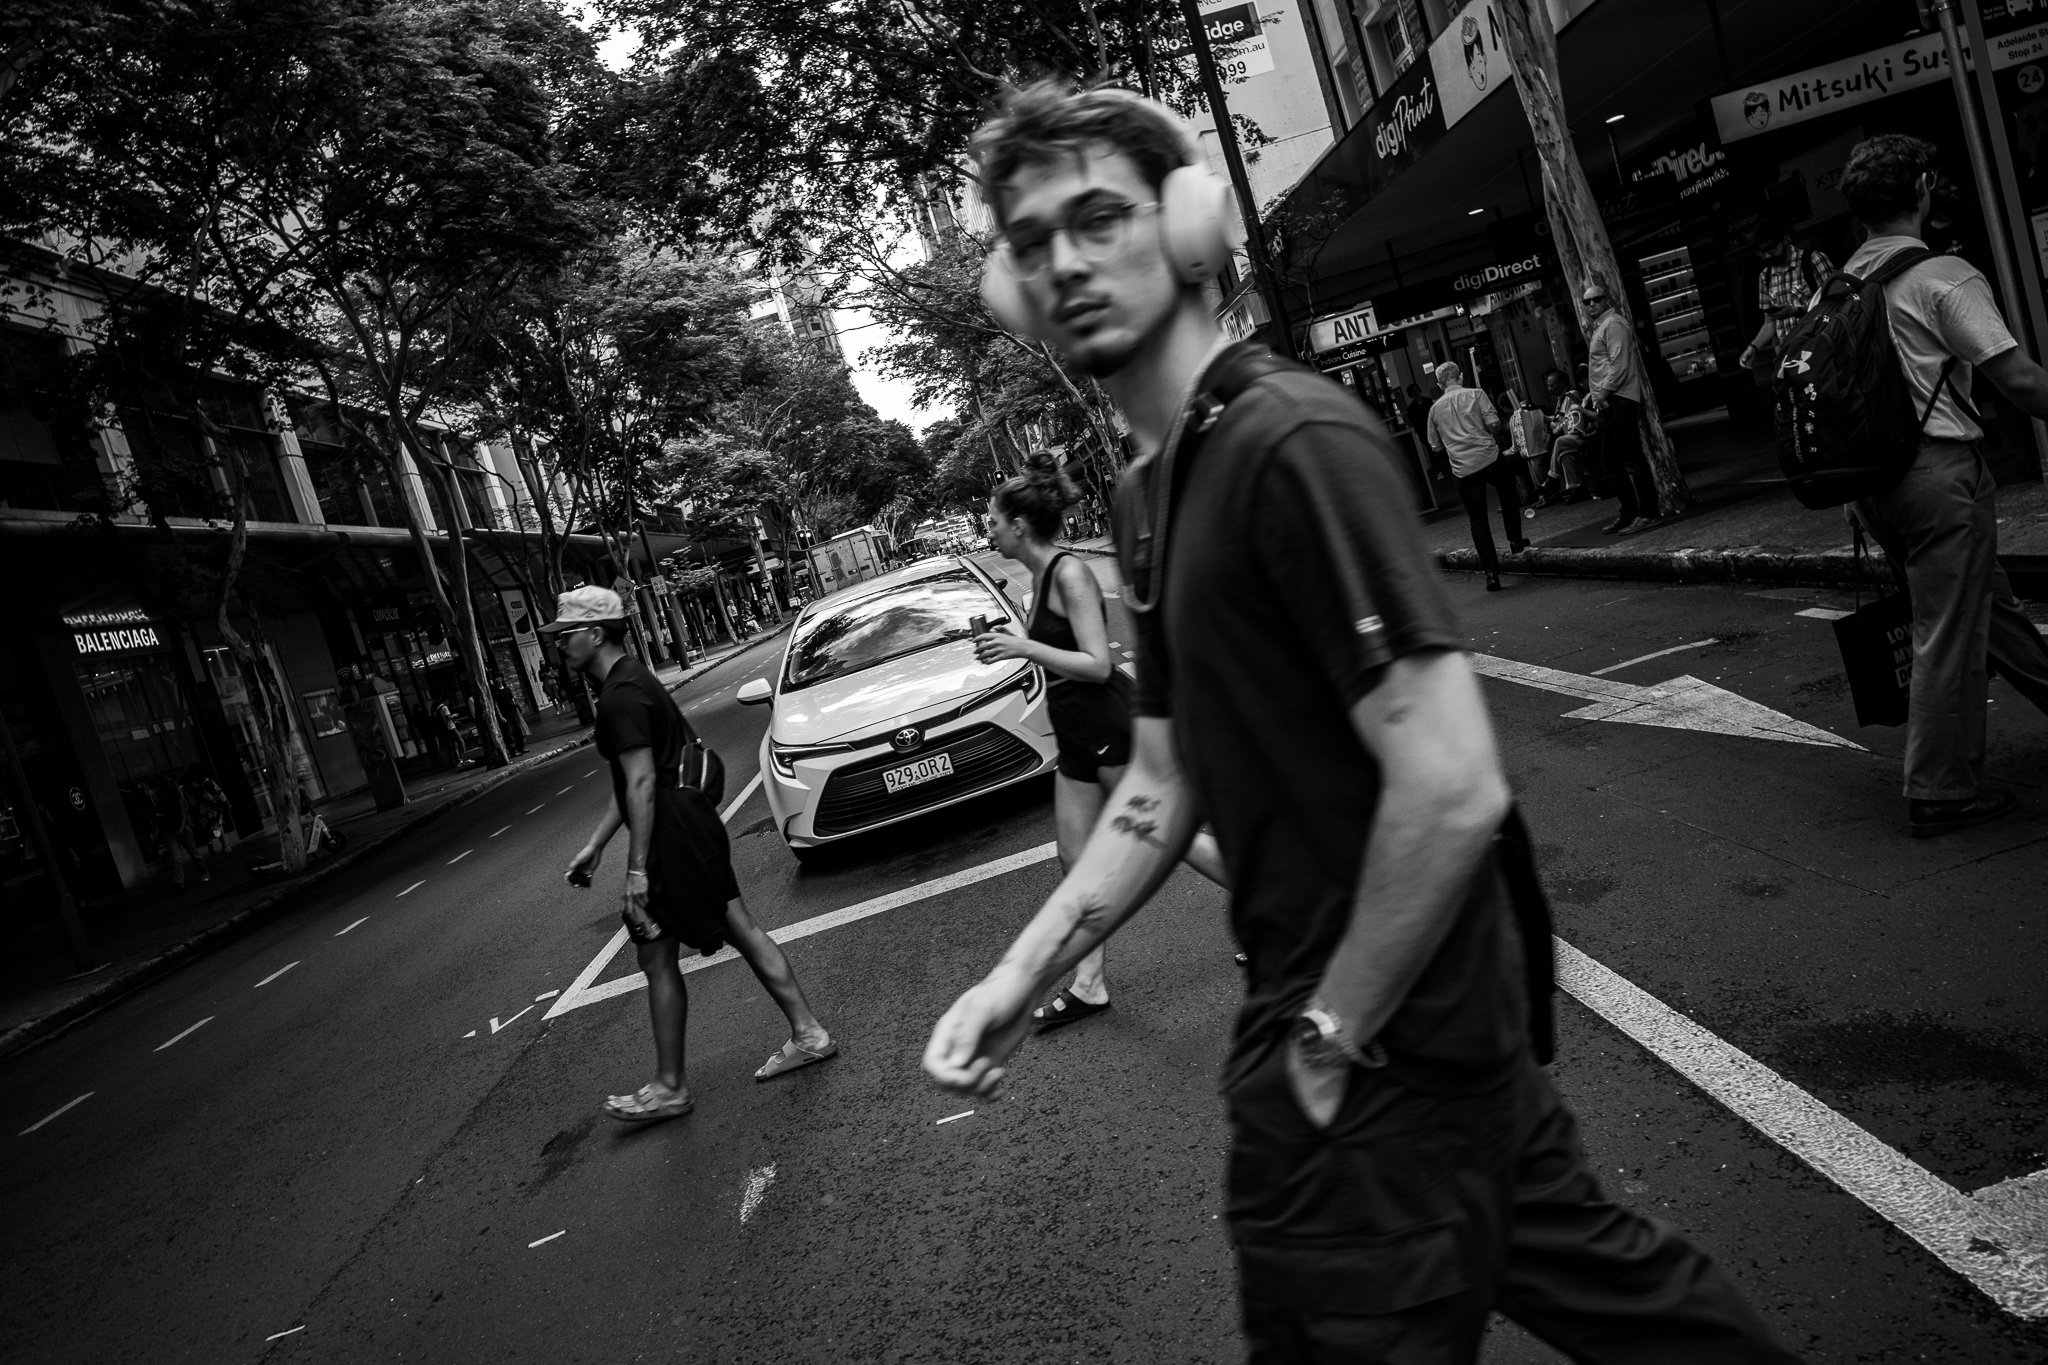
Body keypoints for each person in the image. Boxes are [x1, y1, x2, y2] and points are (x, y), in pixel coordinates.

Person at [925, 81, 1798, 1363]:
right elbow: (1159, 783)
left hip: (1376, 1049)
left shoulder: (1294, 443)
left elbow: (1448, 787)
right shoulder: (1147, 491)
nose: (1063, 261)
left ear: (1181, 229)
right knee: (1636, 1307)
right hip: (1420, 1041)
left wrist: (1328, 1042)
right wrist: (1022, 971)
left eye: (1098, 217)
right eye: (1029, 240)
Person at [546, 587, 837, 1122]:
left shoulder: (619, 697)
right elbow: (636, 777)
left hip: (673, 834)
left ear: (595, 633)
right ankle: (682, 1079)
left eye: (565, 635)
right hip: (684, 822)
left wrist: (635, 871)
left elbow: (640, 784)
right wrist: (594, 846)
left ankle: (693, 1078)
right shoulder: (632, 678)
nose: (558, 645)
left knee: (724, 929)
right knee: (664, 950)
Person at [1830, 134, 2048, 837]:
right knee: (1948, 632)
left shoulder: (1836, 285)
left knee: (1989, 606)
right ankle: (1941, 790)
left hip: (1874, 487)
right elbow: (2016, 378)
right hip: (1938, 477)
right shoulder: (1940, 275)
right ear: (1922, 190)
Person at [973, 451, 1229, 1030]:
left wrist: (1023, 648)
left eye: (992, 521)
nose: (986, 530)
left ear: (1018, 525)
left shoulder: (1069, 572)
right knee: (1074, 857)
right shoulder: (1035, 579)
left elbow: (1094, 663)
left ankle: (1279, 920)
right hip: (1076, 726)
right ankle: (1089, 984)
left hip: (1105, 718)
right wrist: (1017, 641)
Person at [1426, 361, 1526, 591]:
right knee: (1508, 496)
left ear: (1440, 384)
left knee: (1477, 519)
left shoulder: (1434, 410)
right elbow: (1493, 424)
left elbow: (1435, 447)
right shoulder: (1476, 394)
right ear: (1460, 376)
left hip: (1464, 469)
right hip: (1489, 458)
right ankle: (1515, 541)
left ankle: (1491, 573)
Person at [1580, 281, 1664, 535]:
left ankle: (1648, 513)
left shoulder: (1613, 324)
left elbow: (1620, 363)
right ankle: (1628, 512)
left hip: (1619, 398)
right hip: (1608, 400)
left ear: (1608, 300)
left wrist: (1603, 393)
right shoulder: (1599, 327)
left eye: (1596, 299)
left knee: (1630, 456)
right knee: (1610, 459)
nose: (1591, 304)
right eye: (1587, 301)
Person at [1739, 226, 1834, 376]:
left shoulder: (1813, 260)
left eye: (1770, 248)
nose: (1767, 256)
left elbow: (1836, 303)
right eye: (1761, 253)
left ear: (1785, 240)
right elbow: (1769, 323)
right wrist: (1753, 348)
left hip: (1820, 351)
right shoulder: (1766, 276)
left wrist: (1799, 311)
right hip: (1789, 358)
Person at [490, 678, 529, 756]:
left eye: (499, 678)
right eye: (496, 679)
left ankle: (521, 747)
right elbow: (496, 704)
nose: (498, 680)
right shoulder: (495, 692)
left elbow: (512, 699)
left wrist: (517, 706)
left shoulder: (507, 689)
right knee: (508, 733)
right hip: (504, 713)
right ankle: (513, 751)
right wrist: (500, 716)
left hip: (512, 711)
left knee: (517, 729)